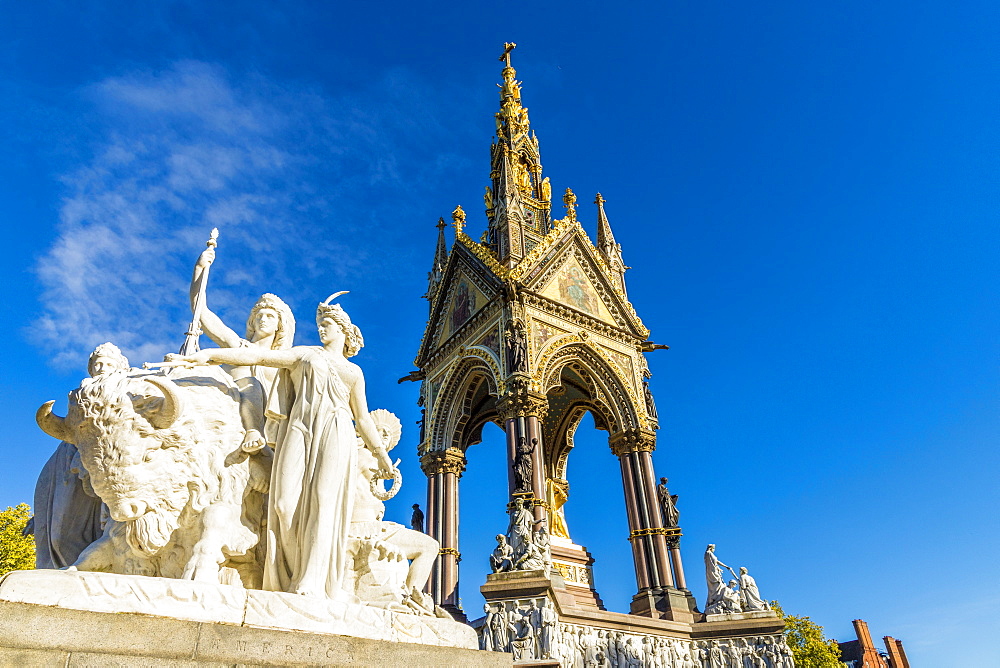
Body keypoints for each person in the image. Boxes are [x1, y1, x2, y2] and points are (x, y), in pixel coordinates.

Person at [176, 292, 394, 600]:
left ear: (344, 331)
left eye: (328, 324)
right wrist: (210, 355)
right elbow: (257, 357)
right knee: (283, 504)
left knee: (323, 502)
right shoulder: (306, 355)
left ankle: (310, 580)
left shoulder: (352, 372)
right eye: (320, 324)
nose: (322, 329)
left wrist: (381, 455)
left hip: (336, 431)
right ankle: (287, 572)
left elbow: (363, 418)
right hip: (299, 430)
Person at [189, 245, 295, 452]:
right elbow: (200, 311)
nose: (263, 319)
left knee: (251, 384)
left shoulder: (283, 362)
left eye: (270, 316)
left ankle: (253, 430)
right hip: (223, 401)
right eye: (259, 316)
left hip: (267, 425)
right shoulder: (237, 345)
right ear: (252, 322)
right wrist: (199, 269)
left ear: (279, 325)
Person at [32, 343, 126, 568]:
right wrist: (41, 515)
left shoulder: (126, 392)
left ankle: (88, 570)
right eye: (97, 364)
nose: (102, 368)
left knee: (80, 534)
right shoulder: (79, 395)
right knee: (57, 534)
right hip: (70, 455)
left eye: (109, 364)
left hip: (106, 459)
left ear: (120, 368)